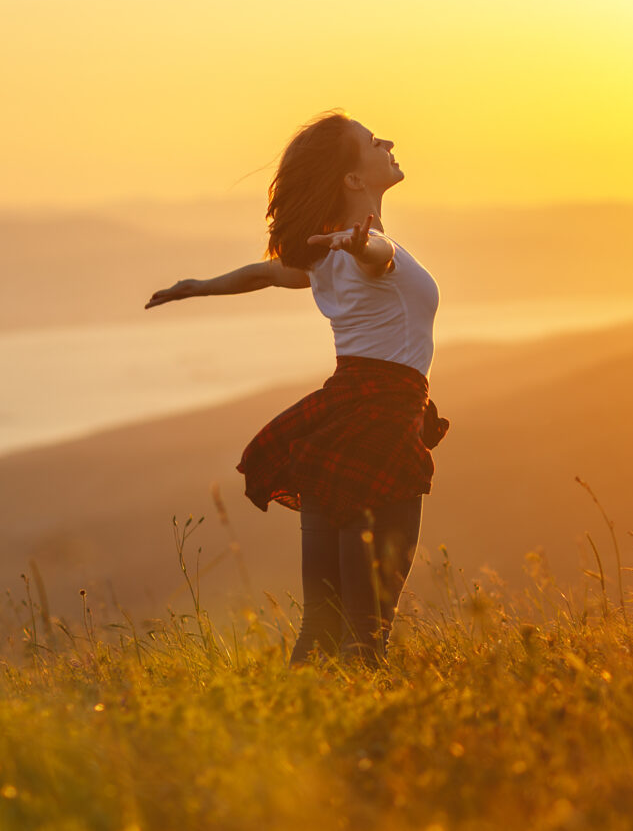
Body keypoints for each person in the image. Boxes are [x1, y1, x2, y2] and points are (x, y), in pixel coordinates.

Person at [145, 110, 449, 667]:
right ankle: (353, 718)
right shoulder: (364, 250)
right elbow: (376, 258)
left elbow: (263, 274)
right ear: (353, 179)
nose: (387, 141)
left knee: (323, 623)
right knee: (367, 634)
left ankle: (300, 707)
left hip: (337, 425)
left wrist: (199, 287)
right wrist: (361, 244)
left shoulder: (329, 256)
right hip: (381, 428)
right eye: (371, 141)